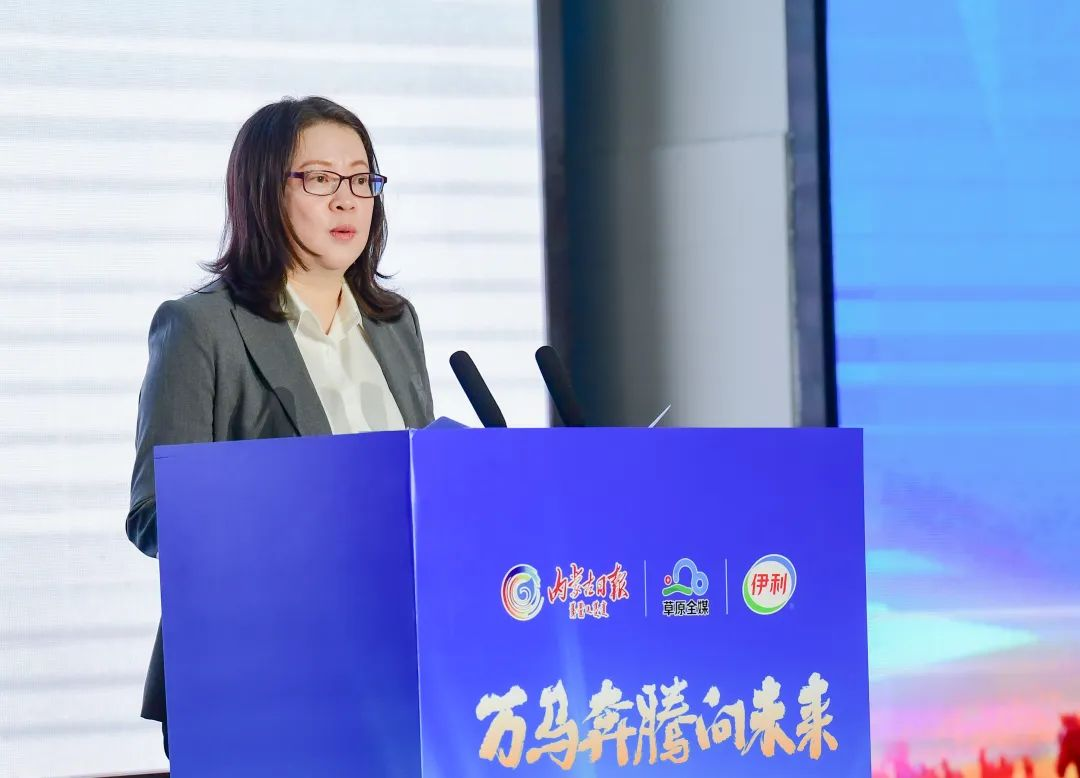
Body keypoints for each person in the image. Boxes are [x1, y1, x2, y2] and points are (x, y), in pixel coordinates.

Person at [125, 96, 434, 757]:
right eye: (320, 179)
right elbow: (155, 514)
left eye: (362, 179)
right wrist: (299, 509)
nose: (347, 200)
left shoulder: (395, 325)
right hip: (255, 679)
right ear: (264, 191)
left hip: (392, 669)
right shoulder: (202, 327)